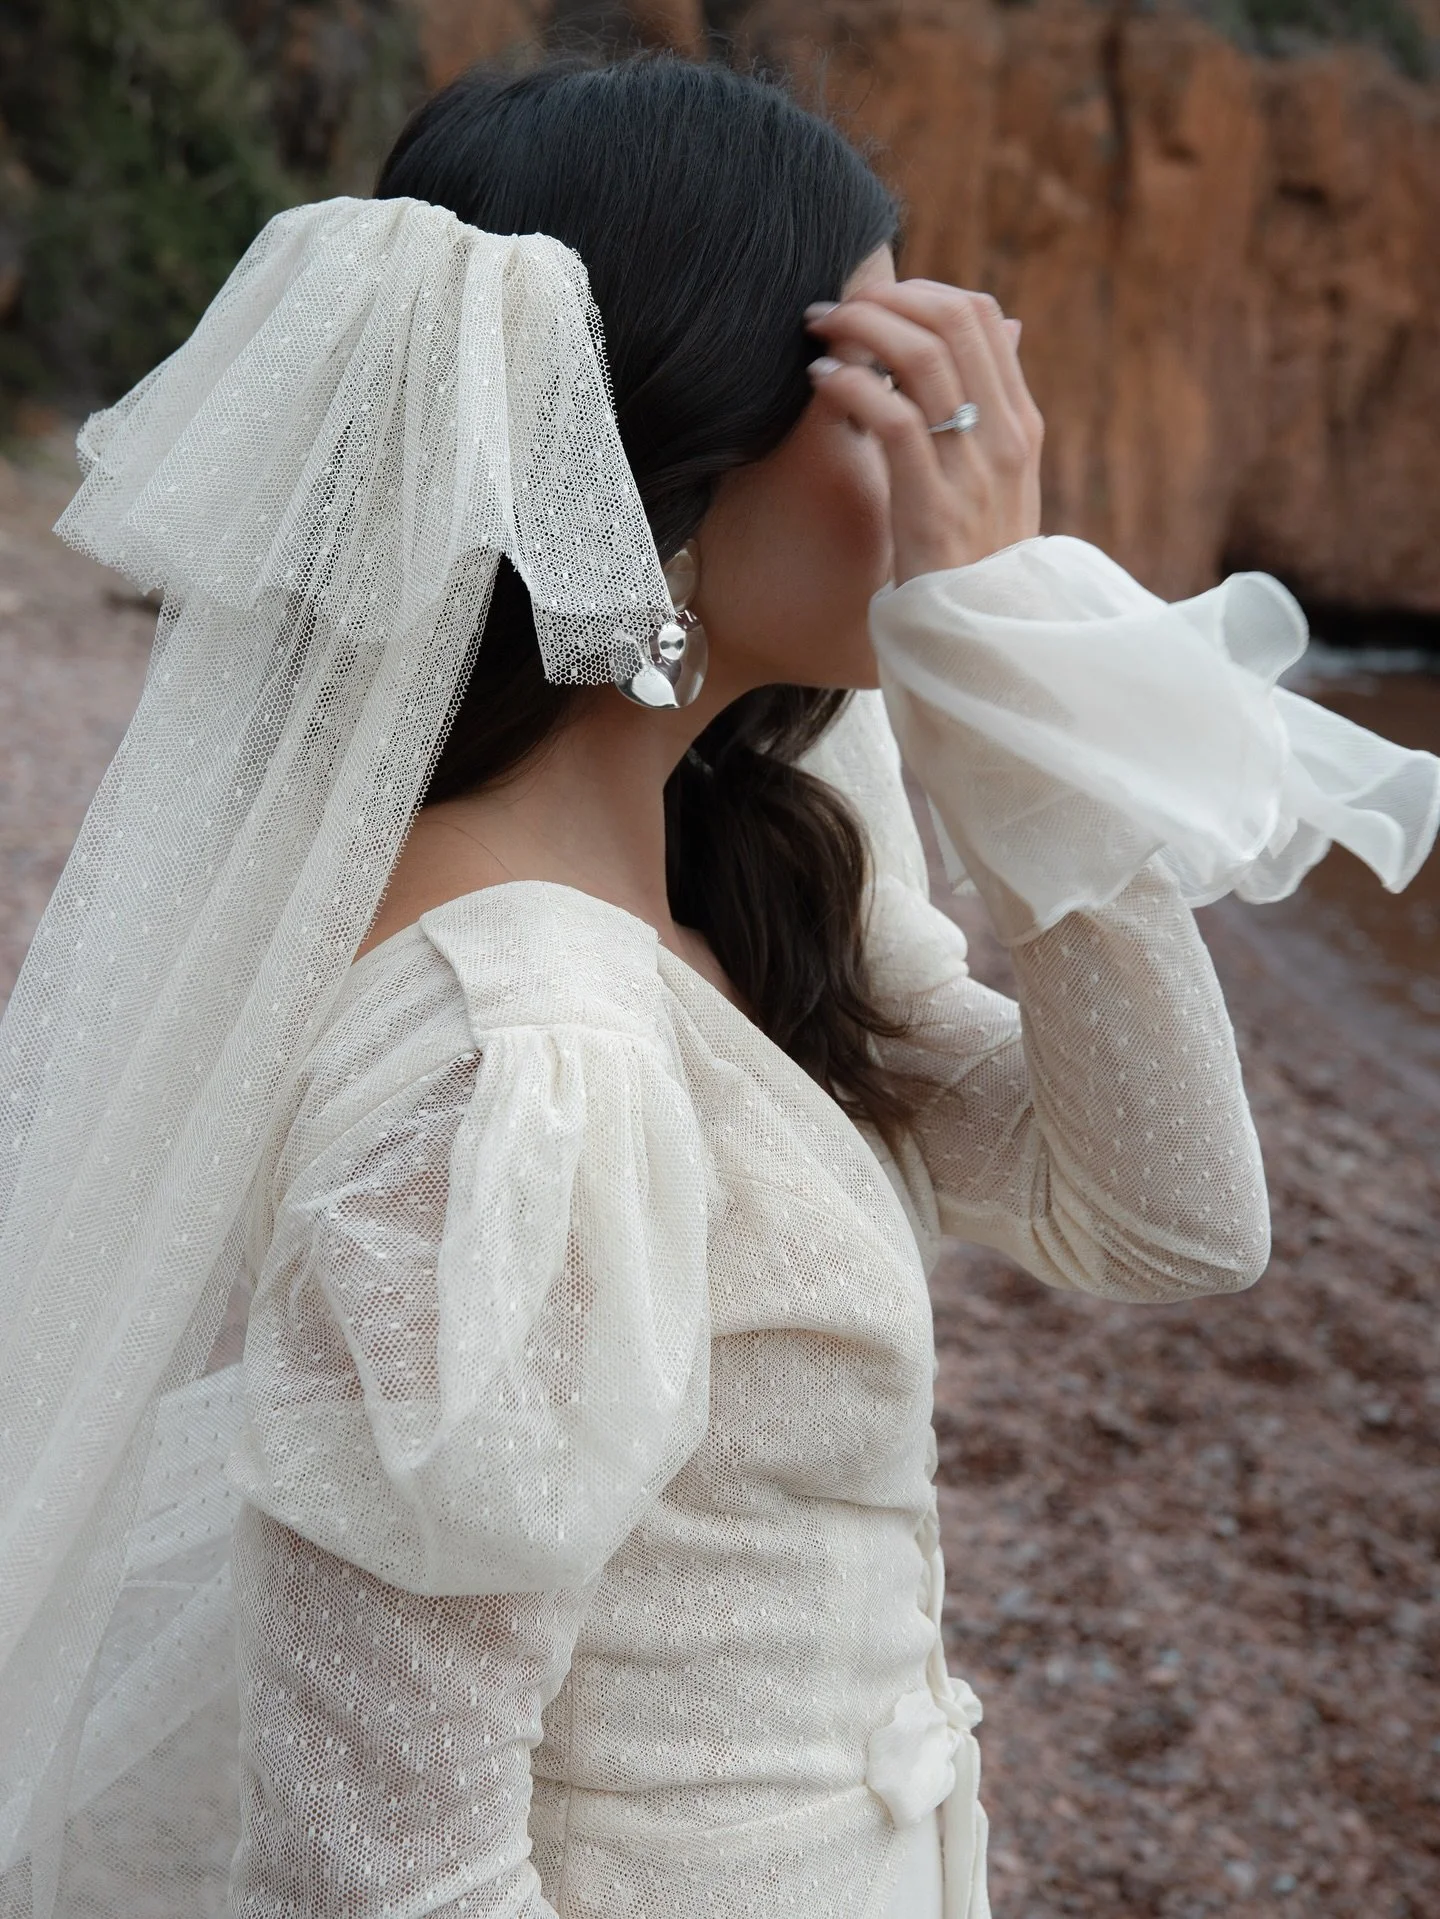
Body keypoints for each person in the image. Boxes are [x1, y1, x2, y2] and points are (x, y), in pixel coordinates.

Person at [0, 52, 1435, 1919]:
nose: (966, 456)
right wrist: (994, 620)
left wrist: (1002, 667)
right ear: (673, 461)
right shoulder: (516, 1058)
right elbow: (390, 1878)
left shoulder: (735, 862)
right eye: (892, 385)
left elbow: (1165, 1213)